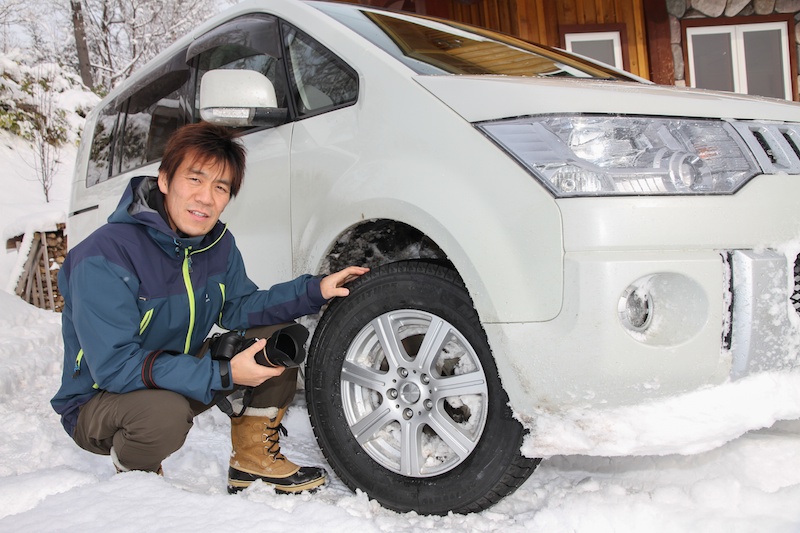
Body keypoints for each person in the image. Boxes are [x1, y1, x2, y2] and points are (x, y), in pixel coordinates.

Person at [51, 122, 368, 494]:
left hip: (171, 374)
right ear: (165, 180)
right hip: (99, 401)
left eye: (220, 187)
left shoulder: (216, 244)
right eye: (195, 180)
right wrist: (222, 373)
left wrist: (314, 290)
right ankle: (136, 473)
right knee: (162, 416)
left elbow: (241, 307)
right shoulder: (104, 255)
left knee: (272, 338)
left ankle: (252, 459)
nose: (206, 198)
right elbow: (116, 367)